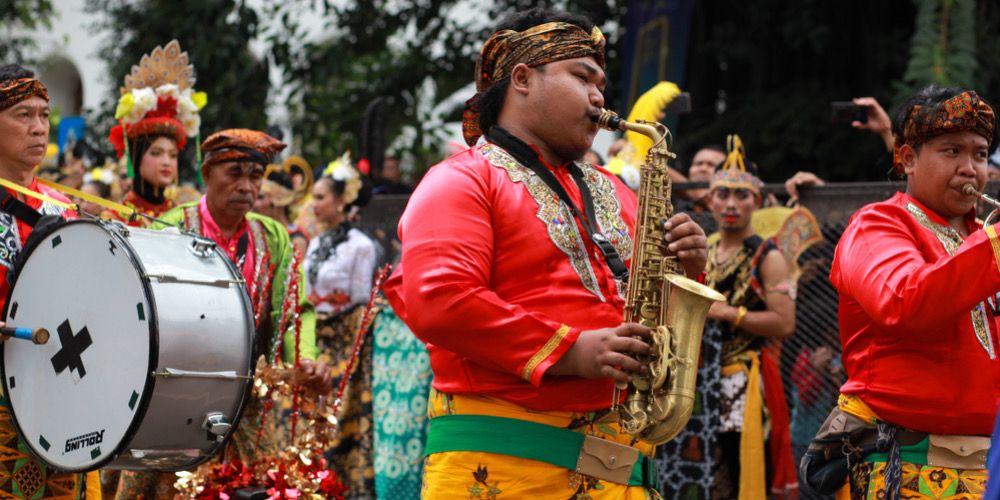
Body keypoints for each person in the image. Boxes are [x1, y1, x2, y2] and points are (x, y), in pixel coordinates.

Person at [385, 8, 708, 498]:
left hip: (625, 470)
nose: (599, 96)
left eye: (601, 83)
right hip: (504, 472)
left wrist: (685, 268)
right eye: (582, 77)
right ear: (522, 79)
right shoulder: (460, 179)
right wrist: (569, 350)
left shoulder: (618, 190)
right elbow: (440, 300)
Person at [114, 129, 329, 498]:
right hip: (173, 399)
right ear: (206, 172)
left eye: (255, 176)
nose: (247, 186)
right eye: (235, 173)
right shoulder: (171, 228)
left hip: (248, 405)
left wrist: (305, 359)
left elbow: (294, 311)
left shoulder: (273, 237)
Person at [820, 85, 999, 499]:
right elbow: (904, 302)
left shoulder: (984, 239)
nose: (970, 168)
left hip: (988, 468)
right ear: (907, 160)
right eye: (951, 151)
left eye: (979, 153)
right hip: (901, 460)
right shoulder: (876, 225)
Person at [658, 135, 797, 499]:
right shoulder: (707, 246)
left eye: (741, 196)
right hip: (697, 378)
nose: (731, 204)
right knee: (698, 470)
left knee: (735, 472)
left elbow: (784, 322)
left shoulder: (768, 255)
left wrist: (726, 312)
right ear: (711, 198)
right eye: (723, 195)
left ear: (757, 200)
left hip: (741, 382)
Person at [0, 64, 101, 499]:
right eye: (24, 115)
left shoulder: (63, 208)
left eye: (44, 115)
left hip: (58, 392)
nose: (39, 128)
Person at [302, 159, 377, 498]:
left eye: (319, 197)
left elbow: (360, 301)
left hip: (344, 346)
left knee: (337, 423)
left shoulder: (360, 245)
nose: (313, 205)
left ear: (341, 201)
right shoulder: (316, 244)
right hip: (313, 341)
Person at [106, 40, 205, 226]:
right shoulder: (115, 220)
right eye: (156, 153)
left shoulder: (185, 220)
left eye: (173, 155)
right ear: (135, 157)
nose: (167, 162)